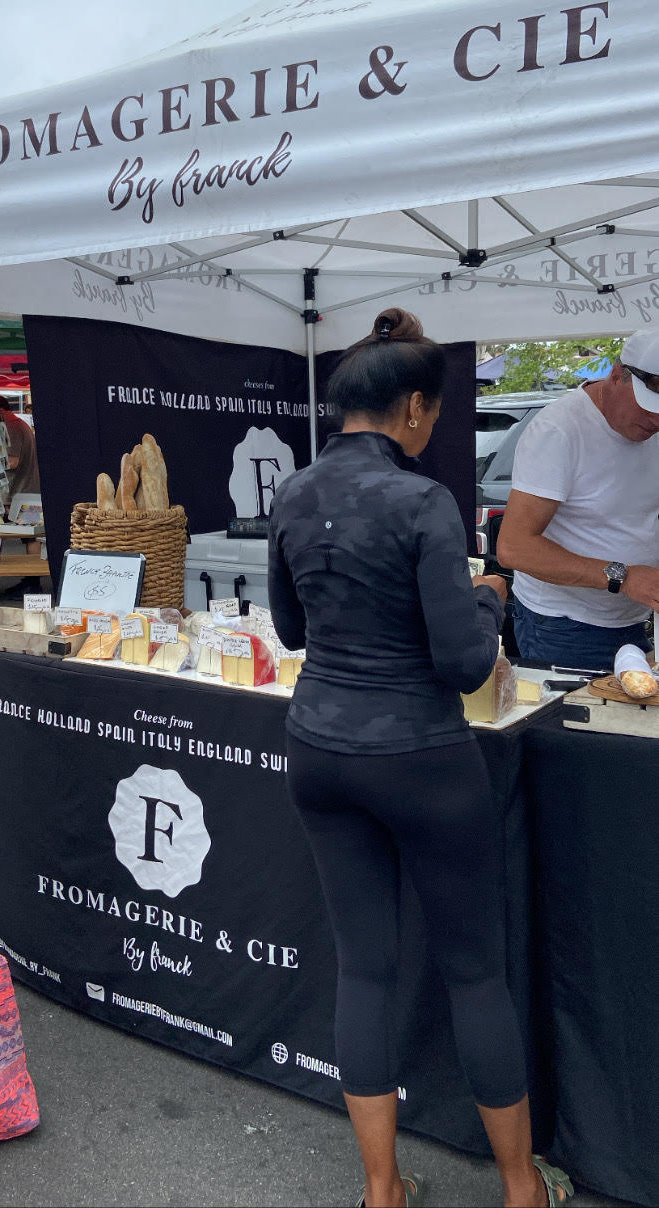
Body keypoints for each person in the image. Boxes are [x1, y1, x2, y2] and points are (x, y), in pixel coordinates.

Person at [268, 309, 572, 1208]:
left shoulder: (294, 491)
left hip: (320, 747)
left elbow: (291, 629)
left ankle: (381, 1189)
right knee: (474, 970)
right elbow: (463, 663)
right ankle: (522, 1188)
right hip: (421, 758)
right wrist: (487, 599)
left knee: (365, 966)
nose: (432, 430)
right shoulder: (423, 502)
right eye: (433, 417)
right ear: (410, 408)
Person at [497, 329, 659, 670]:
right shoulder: (559, 431)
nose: (656, 420)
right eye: (649, 407)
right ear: (617, 376)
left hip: (634, 618)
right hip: (564, 626)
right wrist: (624, 577)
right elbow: (514, 547)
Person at [0, 394, 40, 508]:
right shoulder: (20, 424)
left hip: (19, 493)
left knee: (17, 524)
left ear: (0, 411)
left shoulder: (11, 428)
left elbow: (12, 462)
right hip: (25, 492)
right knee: (27, 523)